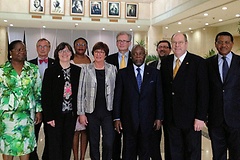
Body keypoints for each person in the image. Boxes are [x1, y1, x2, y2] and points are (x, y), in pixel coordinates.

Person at [160, 33, 209, 160]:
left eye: (180, 42)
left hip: (191, 119)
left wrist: (200, 117)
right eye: (175, 42)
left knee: (191, 152)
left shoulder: (198, 62)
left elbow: (203, 92)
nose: (177, 45)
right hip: (170, 118)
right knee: (173, 152)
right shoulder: (165, 62)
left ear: (186, 44)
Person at [113, 44, 163, 159]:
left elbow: (159, 97)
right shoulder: (123, 73)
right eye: (135, 54)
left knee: (145, 151)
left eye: (140, 54)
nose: (138, 56)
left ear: (144, 55)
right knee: (128, 152)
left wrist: (159, 117)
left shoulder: (155, 73)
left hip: (148, 120)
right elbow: (118, 97)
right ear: (131, 56)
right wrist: (117, 118)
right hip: (128, 120)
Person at [0, 40, 42, 160]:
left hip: (27, 115)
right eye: (19, 50)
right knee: (8, 147)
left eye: (23, 49)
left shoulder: (33, 69)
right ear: (11, 52)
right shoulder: (2, 70)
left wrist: (39, 110)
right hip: (7, 116)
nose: (22, 52)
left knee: (25, 146)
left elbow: (37, 91)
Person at [77, 42, 117, 160]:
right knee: (93, 142)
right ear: (93, 53)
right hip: (91, 112)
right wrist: (81, 113)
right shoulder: (86, 69)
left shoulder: (112, 69)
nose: (99, 54)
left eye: (101, 52)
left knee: (108, 142)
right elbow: (80, 92)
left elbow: (117, 90)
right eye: (96, 52)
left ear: (105, 54)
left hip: (108, 111)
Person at [42, 42, 81, 160]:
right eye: (61, 51)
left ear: (71, 54)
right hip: (54, 116)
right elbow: (45, 95)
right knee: (54, 146)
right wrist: (49, 117)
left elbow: (81, 93)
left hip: (71, 115)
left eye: (67, 51)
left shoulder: (77, 71)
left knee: (67, 144)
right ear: (57, 54)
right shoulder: (50, 71)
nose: (65, 53)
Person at [206, 31, 240, 159]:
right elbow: (205, 91)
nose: (223, 45)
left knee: (237, 154)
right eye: (220, 42)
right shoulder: (207, 64)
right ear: (215, 44)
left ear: (232, 44)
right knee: (218, 154)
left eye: (226, 42)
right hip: (215, 119)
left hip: (237, 119)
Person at [105, 31, 133, 160]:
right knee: (114, 138)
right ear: (116, 43)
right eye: (119, 41)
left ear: (129, 43)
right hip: (112, 104)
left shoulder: (136, 58)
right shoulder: (108, 59)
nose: (122, 43)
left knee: (130, 139)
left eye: (125, 41)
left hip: (131, 105)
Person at [28, 38, 54, 160]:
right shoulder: (28, 65)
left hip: (50, 106)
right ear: (36, 48)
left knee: (50, 136)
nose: (42, 48)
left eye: (45, 46)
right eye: (40, 46)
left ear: (49, 48)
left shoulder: (56, 64)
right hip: (33, 106)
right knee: (33, 135)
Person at [148, 40, 171, 160]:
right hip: (154, 109)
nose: (162, 49)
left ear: (170, 50)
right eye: (160, 47)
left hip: (170, 109)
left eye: (165, 47)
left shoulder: (173, 65)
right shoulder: (151, 65)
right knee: (154, 140)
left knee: (170, 140)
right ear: (157, 50)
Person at [71, 37, 91, 160]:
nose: (80, 46)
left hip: (88, 99)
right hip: (73, 98)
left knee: (85, 131)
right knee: (75, 130)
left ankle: (83, 157)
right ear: (74, 46)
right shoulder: (70, 60)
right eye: (78, 44)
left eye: (83, 44)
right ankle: (75, 157)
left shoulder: (91, 60)